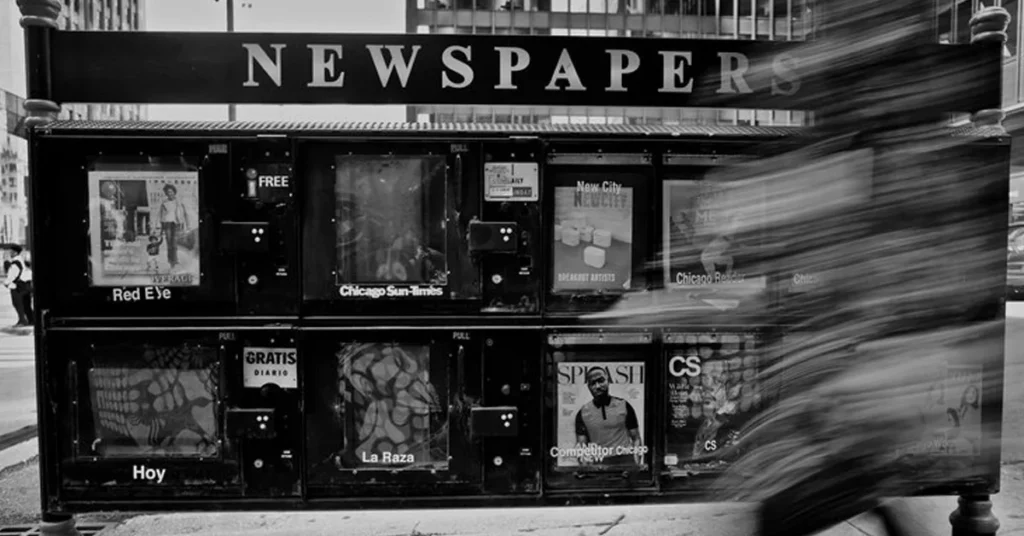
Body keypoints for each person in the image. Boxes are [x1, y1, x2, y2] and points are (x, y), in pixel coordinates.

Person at [573, 366, 645, 467]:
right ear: (588, 387)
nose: (598, 386)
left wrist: (636, 465)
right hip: (599, 465)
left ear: (608, 381)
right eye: (593, 383)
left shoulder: (624, 405)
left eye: (601, 380)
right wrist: (587, 470)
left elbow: (636, 438)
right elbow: (582, 448)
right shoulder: (583, 413)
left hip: (625, 463)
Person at [158, 184, 189, 268]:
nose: (170, 193)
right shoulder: (164, 203)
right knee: (169, 243)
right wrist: (161, 228)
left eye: (171, 192)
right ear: (166, 193)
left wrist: (186, 225)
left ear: (174, 192)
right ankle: (170, 260)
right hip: (167, 224)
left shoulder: (179, 202)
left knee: (174, 243)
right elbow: (161, 216)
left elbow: (185, 213)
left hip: (176, 224)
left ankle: (175, 260)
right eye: (168, 192)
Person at [3, 245, 33, 327]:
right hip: (26, 284)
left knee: (18, 303)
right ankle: (31, 320)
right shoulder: (22, 260)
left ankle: (22, 320)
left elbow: (12, 275)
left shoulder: (15, 263)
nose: (10, 253)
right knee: (26, 304)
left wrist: (7, 283)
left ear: (15, 252)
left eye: (11, 251)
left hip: (18, 286)